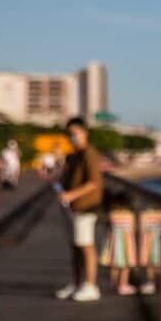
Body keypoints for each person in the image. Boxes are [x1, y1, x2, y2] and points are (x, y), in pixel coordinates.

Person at [55, 117, 105, 303]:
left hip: (86, 207)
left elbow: (94, 182)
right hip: (73, 208)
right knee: (76, 246)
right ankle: (77, 283)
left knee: (86, 245)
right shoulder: (74, 155)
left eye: (75, 133)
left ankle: (91, 285)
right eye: (70, 134)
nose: (72, 137)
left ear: (85, 132)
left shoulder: (90, 154)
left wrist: (71, 195)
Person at [98, 188, 138, 296]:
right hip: (127, 243)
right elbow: (134, 229)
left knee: (114, 265)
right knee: (125, 266)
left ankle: (114, 284)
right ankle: (123, 285)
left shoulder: (112, 214)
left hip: (114, 242)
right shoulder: (130, 215)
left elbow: (108, 227)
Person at [136, 205, 161, 294]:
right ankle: (158, 282)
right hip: (158, 241)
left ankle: (152, 282)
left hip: (148, 241)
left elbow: (141, 229)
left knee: (151, 264)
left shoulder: (144, 214)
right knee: (157, 264)